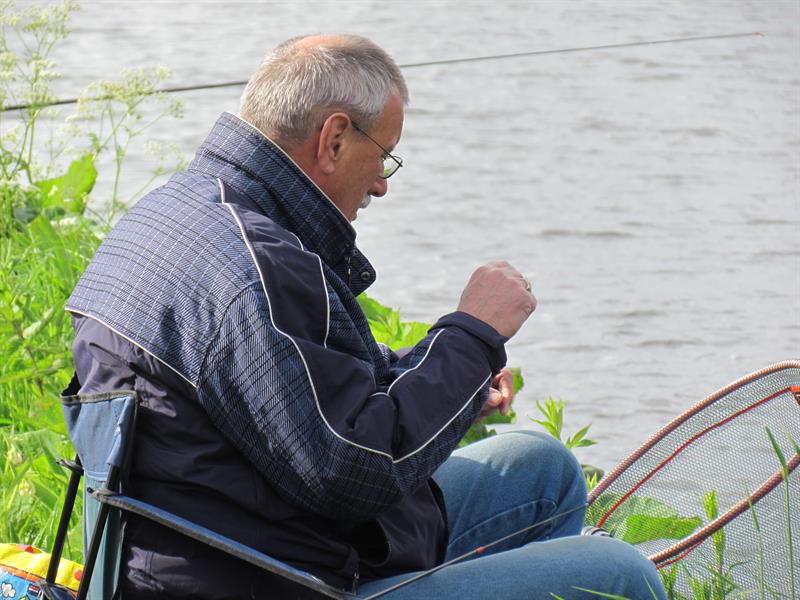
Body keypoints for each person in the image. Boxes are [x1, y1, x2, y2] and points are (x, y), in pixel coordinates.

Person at [66, 34, 666, 599]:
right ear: (333, 139)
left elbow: (305, 391)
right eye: (384, 156)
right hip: (276, 579)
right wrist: (474, 334)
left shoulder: (175, 215)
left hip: (248, 542)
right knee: (619, 575)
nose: (382, 184)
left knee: (542, 468)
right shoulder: (255, 269)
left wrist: (452, 385)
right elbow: (351, 470)